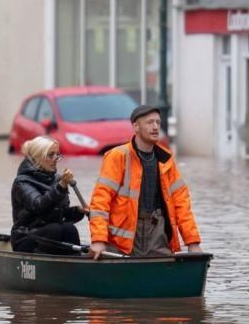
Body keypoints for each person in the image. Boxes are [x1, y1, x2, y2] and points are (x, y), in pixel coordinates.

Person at [87, 105, 202, 259]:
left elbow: (182, 204)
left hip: (157, 234)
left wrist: (192, 242)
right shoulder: (118, 156)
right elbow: (100, 201)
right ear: (136, 126)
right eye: (149, 122)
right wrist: (99, 240)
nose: (155, 127)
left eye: (158, 122)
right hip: (121, 241)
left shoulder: (166, 160)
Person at [11, 136, 89, 255]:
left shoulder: (57, 179)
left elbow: (61, 214)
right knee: (54, 229)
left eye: (57, 155)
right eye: (50, 155)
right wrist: (60, 186)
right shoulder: (22, 182)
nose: (55, 159)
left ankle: (76, 264)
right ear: (37, 157)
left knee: (69, 228)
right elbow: (38, 206)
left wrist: (78, 211)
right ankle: (47, 267)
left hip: (49, 235)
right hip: (25, 237)